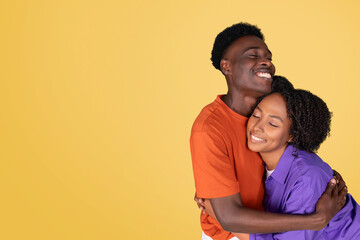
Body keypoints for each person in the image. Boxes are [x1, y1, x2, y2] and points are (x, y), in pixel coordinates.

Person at [190, 22, 347, 240]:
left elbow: (303, 137)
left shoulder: (274, 99)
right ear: (227, 66)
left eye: (268, 57)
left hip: (278, 224)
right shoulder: (210, 128)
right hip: (232, 235)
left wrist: (327, 178)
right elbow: (228, 217)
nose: (267, 62)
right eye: (253, 55)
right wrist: (314, 220)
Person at [246, 87, 360, 239]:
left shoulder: (306, 179)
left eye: (272, 124)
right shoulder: (261, 157)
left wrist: (222, 217)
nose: (257, 127)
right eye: (256, 115)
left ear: (292, 135)